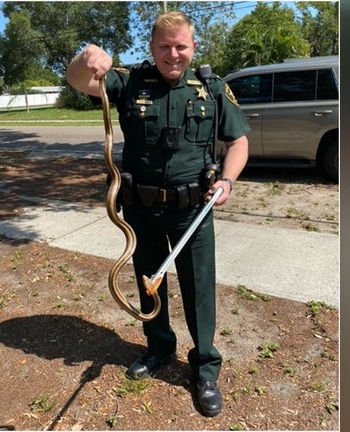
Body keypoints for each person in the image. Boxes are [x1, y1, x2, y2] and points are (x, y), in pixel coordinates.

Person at [66, 11, 250, 417]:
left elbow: (238, 142)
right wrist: (88, 58)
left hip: (193, 213)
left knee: (199, 290)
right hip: (142, 211)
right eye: (164, 47)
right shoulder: (130, 82)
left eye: (181, 46)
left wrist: (228, 181)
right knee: (149, 284)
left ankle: (204, 369)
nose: (173, 54)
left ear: (193, 46)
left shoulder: (212, 88)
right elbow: (79, 81)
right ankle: (159, 348)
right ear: (151, 48)